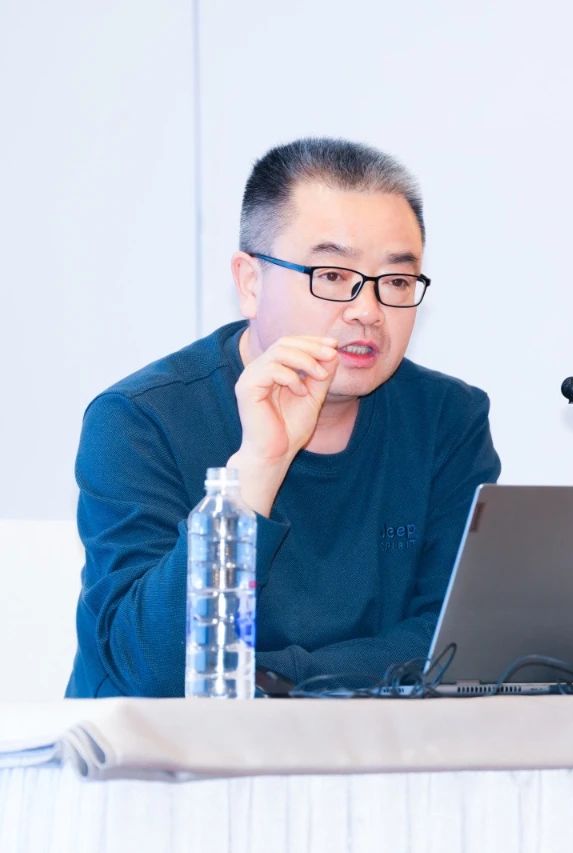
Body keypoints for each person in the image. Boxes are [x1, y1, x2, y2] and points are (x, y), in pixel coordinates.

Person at [66, 138, 501, 698]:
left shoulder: (447, 420)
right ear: (250, 282)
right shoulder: (139, 422)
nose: (367, 311)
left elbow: (457, 640)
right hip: (159, 751)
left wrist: (274, 679)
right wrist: (257, 468)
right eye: (332, 275)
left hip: (367, 743)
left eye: (395, 282)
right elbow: (153, 666)